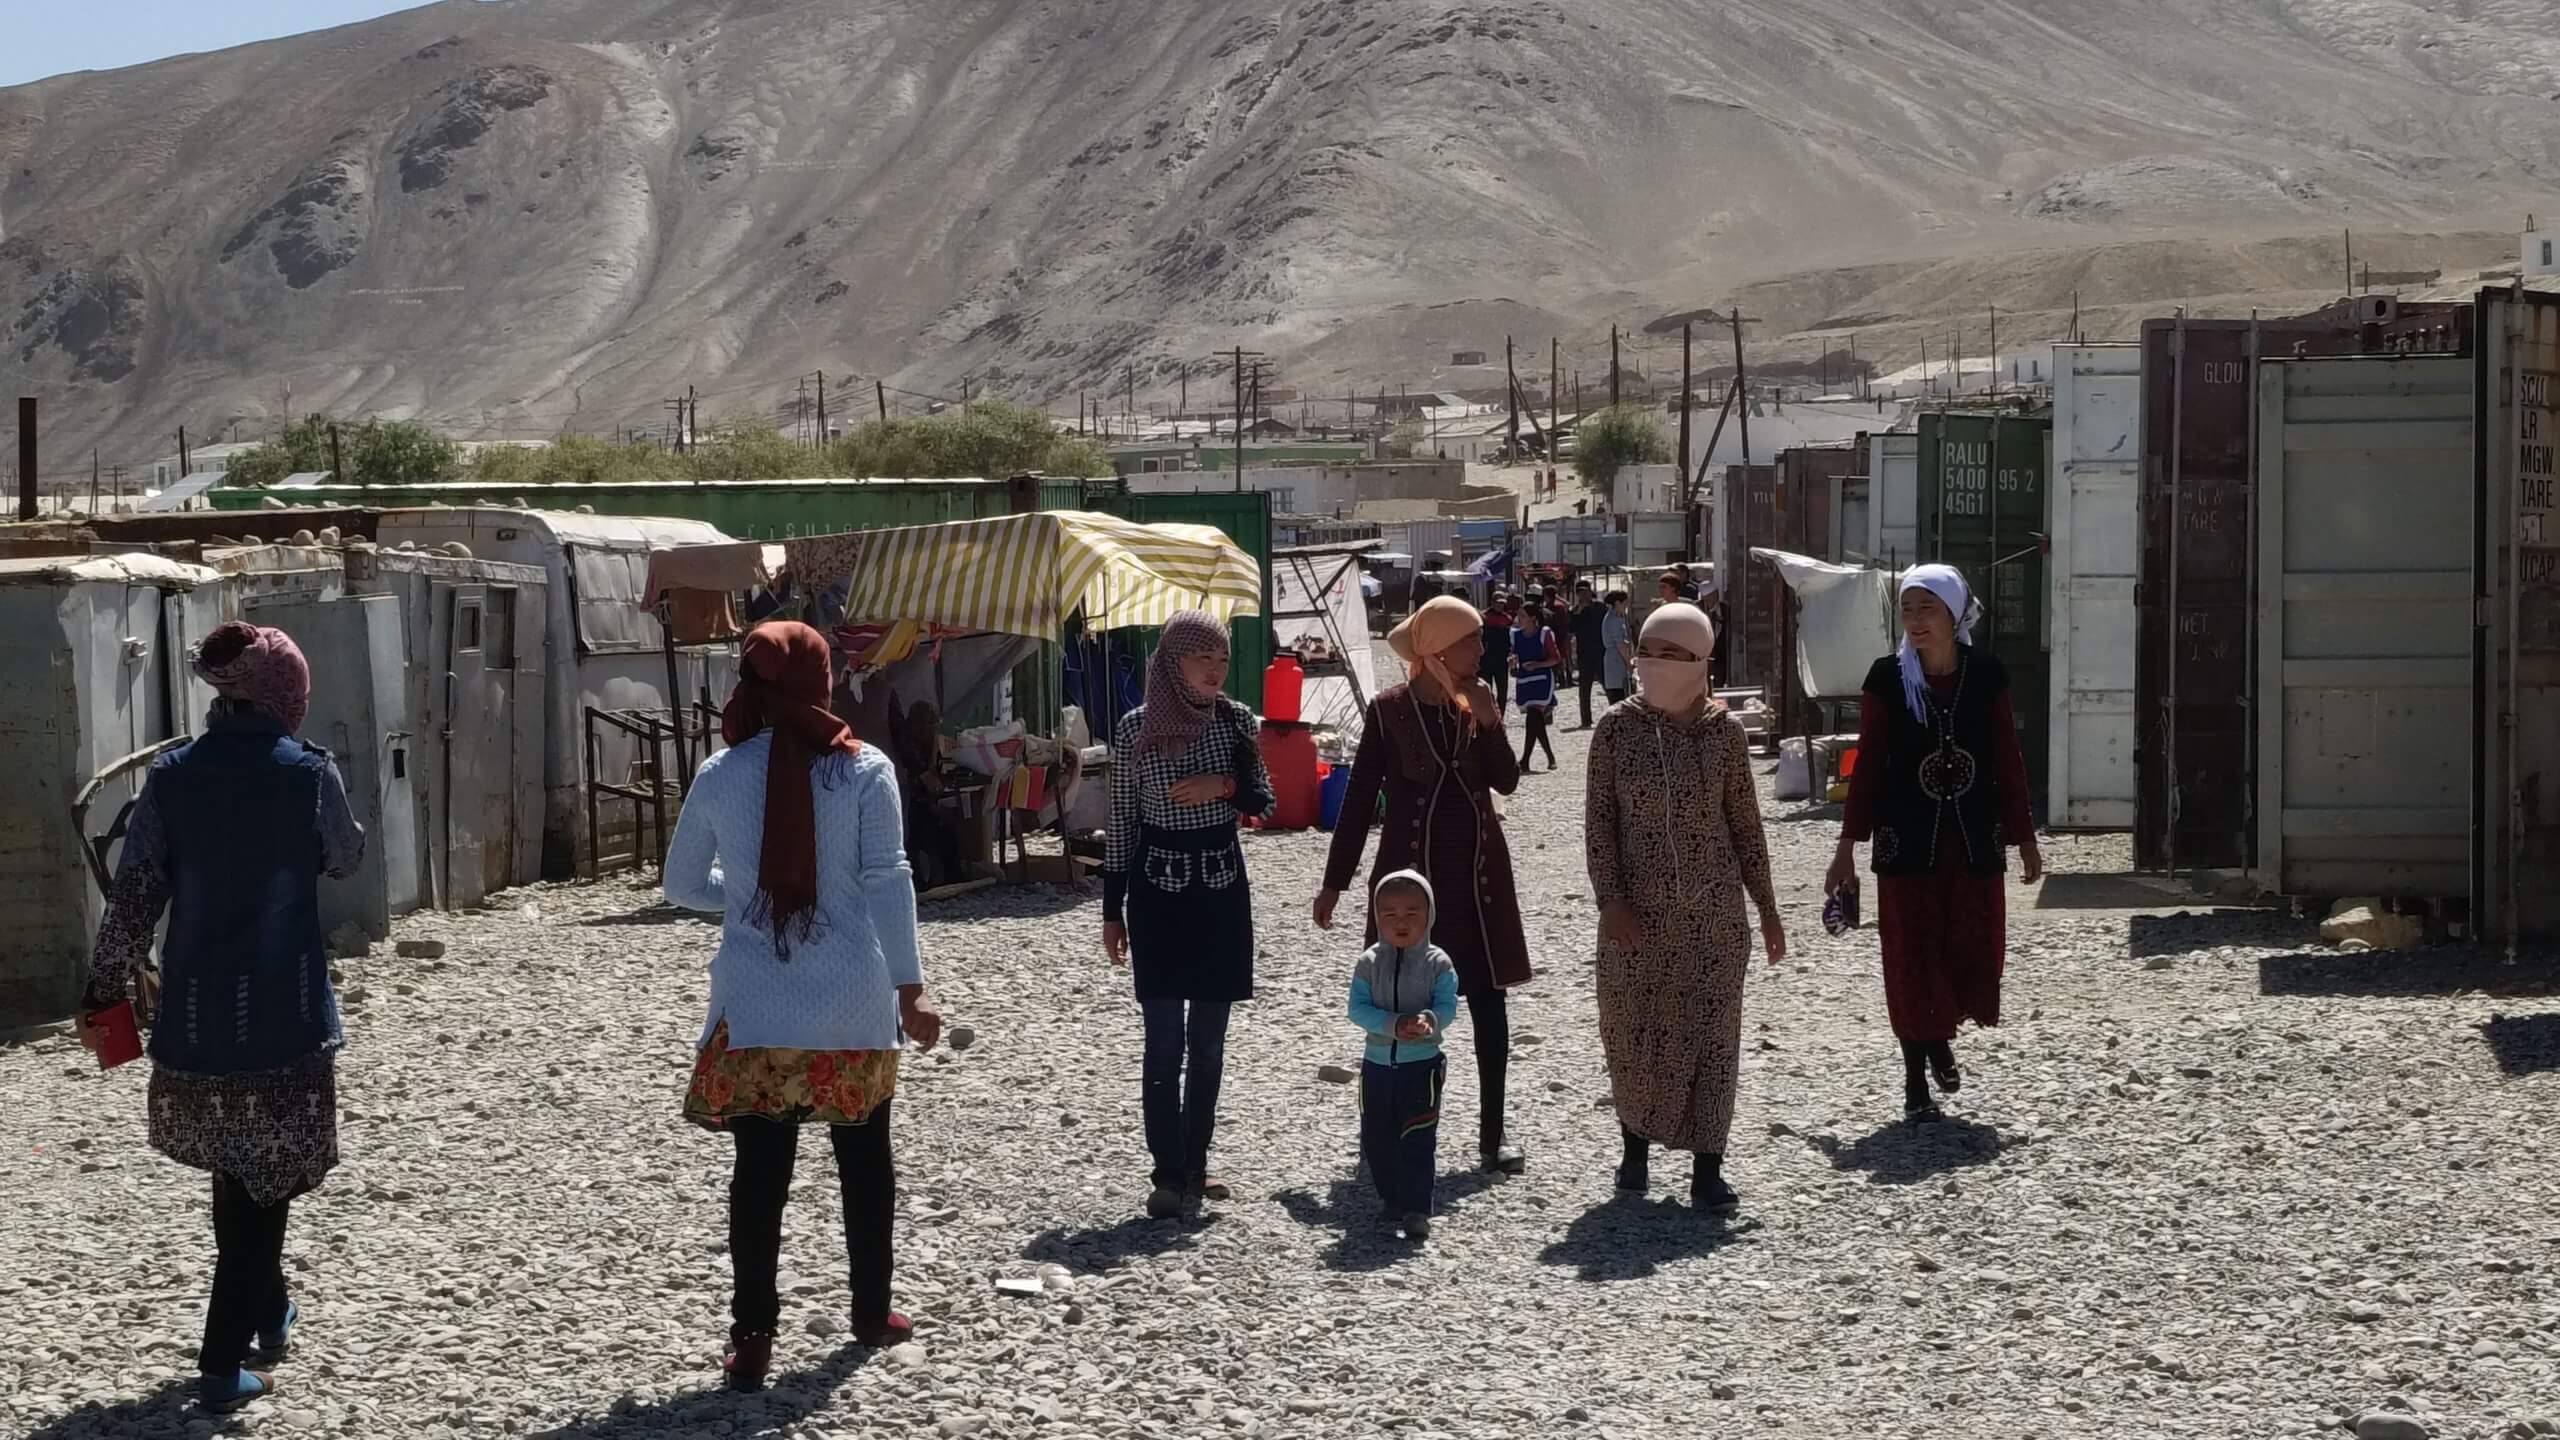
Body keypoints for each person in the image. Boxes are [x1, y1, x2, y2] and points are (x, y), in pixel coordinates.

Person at [74, 621, 364, 1412]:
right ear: (284, 692)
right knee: (262, 1192)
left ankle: (269, 1313)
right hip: (285, 1013)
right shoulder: (309, 773)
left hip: (195, 1019)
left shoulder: (169, 778)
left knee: (237, 1175)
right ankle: (218, 1364)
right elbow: (344, 856)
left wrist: (104, 992)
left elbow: (133, 898)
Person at [665, 619, 941, 1389]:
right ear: (822, 682)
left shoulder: (721, 773)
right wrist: (910, 990)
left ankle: (751, 1336)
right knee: (864, 1162)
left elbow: (681, 885)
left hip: (758, 1009)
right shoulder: (866, 771)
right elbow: (889, 879)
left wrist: (753, 899)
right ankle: (869, 1311)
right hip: (854, 1002)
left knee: (760, 1176)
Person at [1319, 595, 1534, 1174]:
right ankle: (1390, 1133)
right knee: (1397, 1004)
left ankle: (1492, 1137)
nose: (1480, 650)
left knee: (1489, 1000)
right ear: (1438, 647)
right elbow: (1361, 799)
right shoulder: (1389, 711)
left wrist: (1490, 722)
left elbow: (1506, 782)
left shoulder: (1477, 705)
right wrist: (1335, 883)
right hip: (1411, 883)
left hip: (1475, 876)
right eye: (1471, 641)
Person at [1825, 565, 2043, 1123]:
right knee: (1909, 956)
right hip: (1907, 843)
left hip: (1973, 842)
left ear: (1954, 614)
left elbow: (2007, 761)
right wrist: (1847, 845)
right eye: (1908, 610)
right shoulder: (1888, 678)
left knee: (1970, 947)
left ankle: (1939, 1036)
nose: (1916, 621)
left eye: (1928, 609)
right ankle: (1916, 1077)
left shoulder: (1986, 674)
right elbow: (1869, 763)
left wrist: (2025, 839)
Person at [1585, 603, 1784, 1212]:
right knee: (1632, 1032)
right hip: (1635, 920)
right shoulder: (1615, 730)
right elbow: (1600, 825)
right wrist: (1611, 900)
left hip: (1714, 918)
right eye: (1650, 650)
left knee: (1712, 1037)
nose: (1658, 664)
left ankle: (1708, 1167)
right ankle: (1635, 1152)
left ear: (1701, 660)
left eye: (1674, 654)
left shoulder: (1724, 735)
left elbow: (1746, 826)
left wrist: (1768, 908)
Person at [1100, 611, 1276, 1219]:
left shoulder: (1234, 722)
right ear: (1172, 663)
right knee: (1162, 1044)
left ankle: (1197, 1166)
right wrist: (1111, 910)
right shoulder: (1134, 730)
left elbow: (1264, 798)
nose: (1215, 670)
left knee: (1208, 1046)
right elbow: (1121, 822)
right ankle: (1167, 1174)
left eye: (1222, 660)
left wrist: (1222, 787)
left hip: (1221, 893)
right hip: (1157, 896)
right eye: (1203, 659)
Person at [1347, 870, 1459, 1241]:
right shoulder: (1368, 962)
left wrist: (1428, 1020)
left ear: (1429, 916)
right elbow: (1357, 1010)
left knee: (1418, 1135)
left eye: (1412, 913)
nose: (1401, 922)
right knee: (1376, 1136)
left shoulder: (1438, 963)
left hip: (1421, 1065)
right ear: (1377, 917)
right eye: (1390, 914)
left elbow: (1447, 1007)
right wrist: (1393, 1025)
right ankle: (1390, 1198)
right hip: (1377, 1066)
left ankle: (1416, 1208)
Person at [1511, 604, 1562, 771]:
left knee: (1532, 716)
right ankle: (1549, 756)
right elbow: (1513, 655)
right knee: (1535, 721)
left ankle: (1525, 759)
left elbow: (1555, 658)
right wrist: (1512, 662)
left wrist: (1537, 664)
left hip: (1541, 679)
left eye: (1523, 615)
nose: (1519, 619)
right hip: (1525, 680)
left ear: (1533, 618)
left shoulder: (1544, 633)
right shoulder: (1515, 635)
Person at [1569, 580, 1610, 727]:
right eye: (1580, 592)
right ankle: (1585, 720)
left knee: (1607, 685)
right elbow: (1570, 629)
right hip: (1584, 653)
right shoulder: (1575, 610)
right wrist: (1578, 612)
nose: (1583, 595)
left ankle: (1615, 713)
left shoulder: (1600, 607)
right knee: (1584, 689)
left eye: (1585, 591)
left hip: (1600, 651)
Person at [1477, 593, 1513, 718]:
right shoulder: (1483, 617)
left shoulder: (1507, 619)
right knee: (1487, 691)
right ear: (1492, 602)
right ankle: (1489, 716)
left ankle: (1500, 717)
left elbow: (1510, 640)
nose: (1500, 605)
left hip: (1501, 660)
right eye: (1498, 603)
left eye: (1502, 603)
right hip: (1486, 659)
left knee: (1502, 691)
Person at [1601, 590, 1633, 704]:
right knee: (1617, 695)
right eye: (1625, 603)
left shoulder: (1619, 617)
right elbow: (1620, 645)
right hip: (1615, 660)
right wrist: (1629, 663)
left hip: (1617, 659)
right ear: (1618, 603)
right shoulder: (1613, 620)